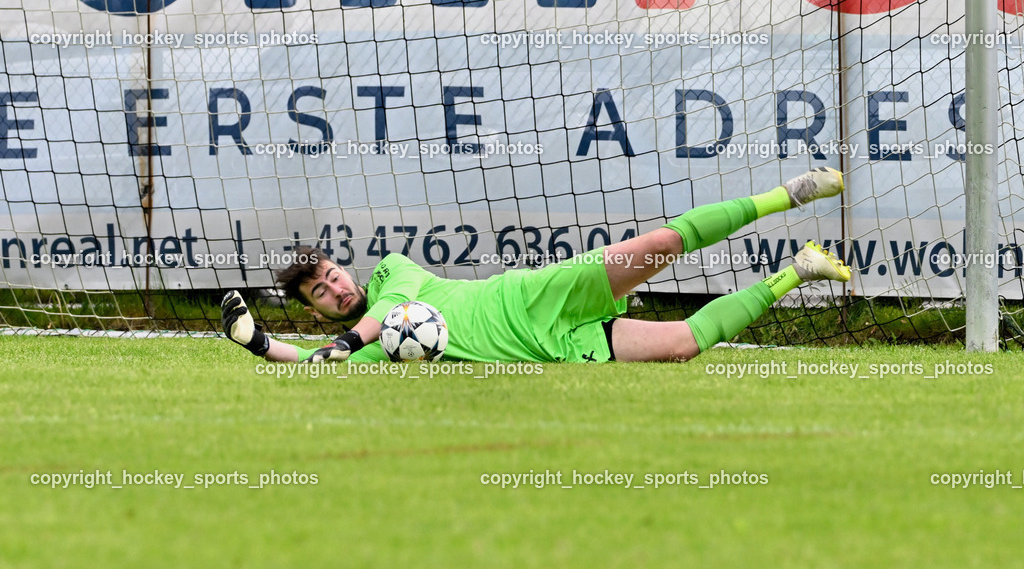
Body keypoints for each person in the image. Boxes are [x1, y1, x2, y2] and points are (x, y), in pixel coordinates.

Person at [221, 167, 851, 363]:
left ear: (346, 269)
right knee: (685, 343)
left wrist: (341, 346)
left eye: (331, 275)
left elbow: (384, 315)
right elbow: (307, 361)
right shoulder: (365, 353)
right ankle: (798, 270)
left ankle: (787, 194)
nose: (333, 288)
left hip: (534, 296)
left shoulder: (390, 273)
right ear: (315, 310)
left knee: (662, 246)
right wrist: (256, 342)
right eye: (320, 292)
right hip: (550, 347)